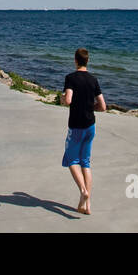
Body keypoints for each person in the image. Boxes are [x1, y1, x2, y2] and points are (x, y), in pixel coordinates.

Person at [61, 47, 106, 215]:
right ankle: (86, 206)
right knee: (86, 162)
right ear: (88, 61)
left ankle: (83, 191)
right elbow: (102, 106)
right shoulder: (93, 80)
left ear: (75, 60)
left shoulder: (70, 78)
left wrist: (63, 99)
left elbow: (68, 100)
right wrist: (90, 107)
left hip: (76, 125)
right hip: (90, 126)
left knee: (72, 160)